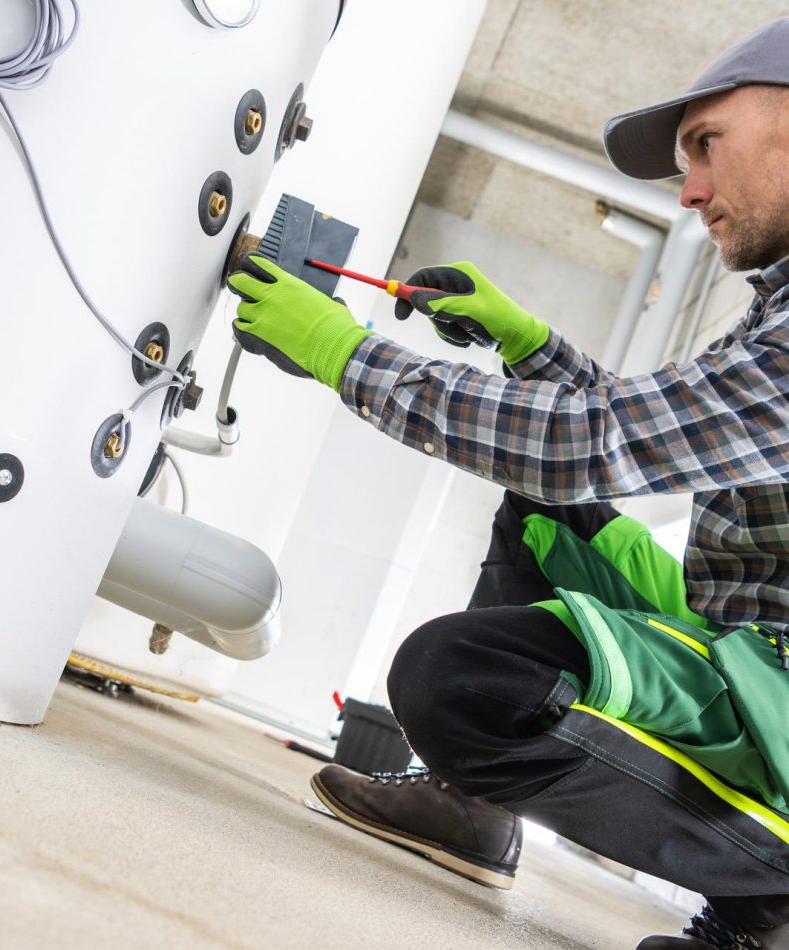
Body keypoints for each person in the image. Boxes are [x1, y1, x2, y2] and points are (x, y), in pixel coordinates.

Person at [227, 17, 789, 950]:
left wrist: (345, 354)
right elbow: (650, 427)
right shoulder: (776, 307)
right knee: (548, 512)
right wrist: (527, 344)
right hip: (742, 640)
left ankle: (765, 906)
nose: (690, 189)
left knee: (458, 681)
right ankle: (472, 809)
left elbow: (593, 443)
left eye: (706, 145)